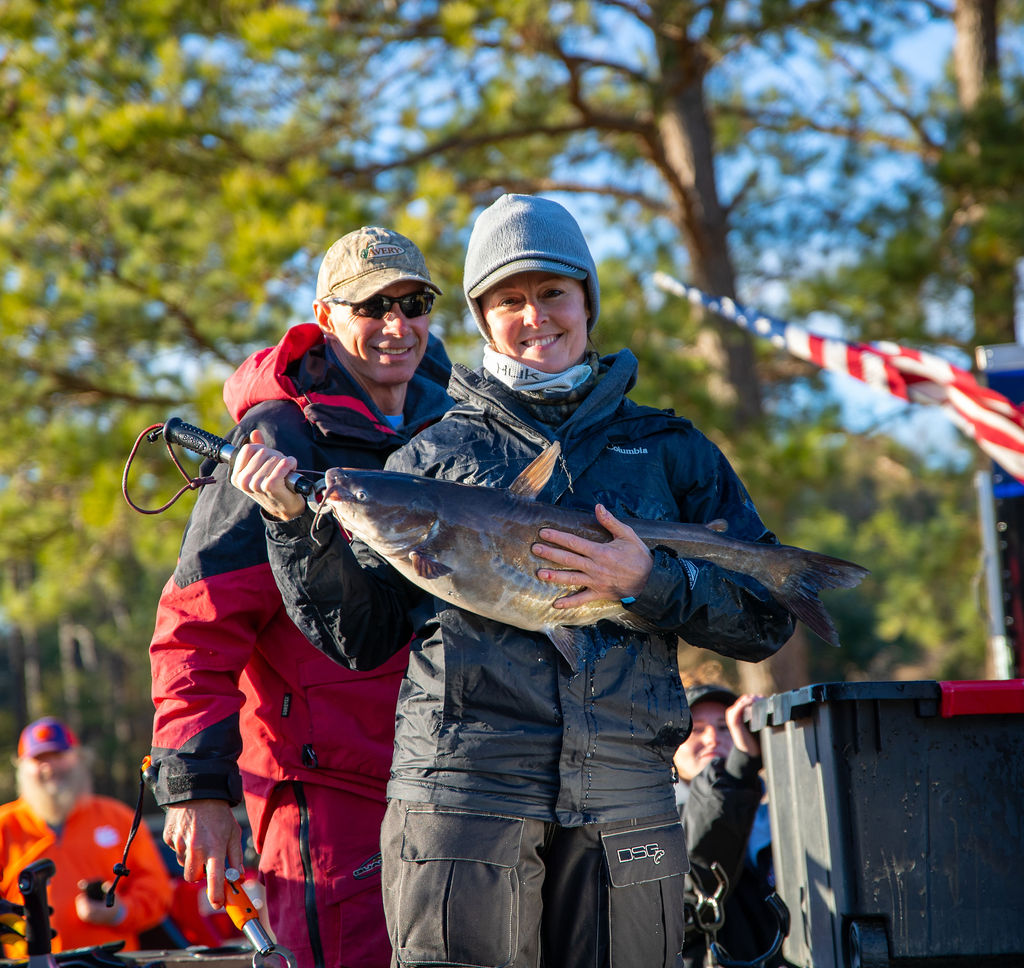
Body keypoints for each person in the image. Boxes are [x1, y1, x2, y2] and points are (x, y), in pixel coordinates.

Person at [232, 193, 795, 968]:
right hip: (462, 799)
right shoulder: (428, 459)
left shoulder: (672, 451)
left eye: (552, 292)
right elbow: (358, 640)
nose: (535, 317)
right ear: (482, 316)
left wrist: (649, 582)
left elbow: (765, 619)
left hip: (627, 796)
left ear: (586, 302)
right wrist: (294, 529)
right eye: (508, 299)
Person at [147, 226, 452, 968]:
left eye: (414, 304)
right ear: (325, 316)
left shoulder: (456, 426)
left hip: (456, 781)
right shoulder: (276, 438)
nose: (396, 326)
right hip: (328, 796)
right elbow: (195, 628)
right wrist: (196, 787)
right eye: (371, 306)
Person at [0, 717, 174, 955]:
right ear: (21, 766)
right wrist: (17, 931)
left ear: (79, 758)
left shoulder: (120, 818)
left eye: (58, 756)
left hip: (110, 961)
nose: (49, 766)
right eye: (39, 759)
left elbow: (157, 889)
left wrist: (120, 911)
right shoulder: (4, 824)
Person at [673, 681, 795, 968]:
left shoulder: (781, 814)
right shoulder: (654, 824)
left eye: (726, 726)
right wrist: (739, 770)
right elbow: (702, 860)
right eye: (696, 729)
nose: (713, 738)